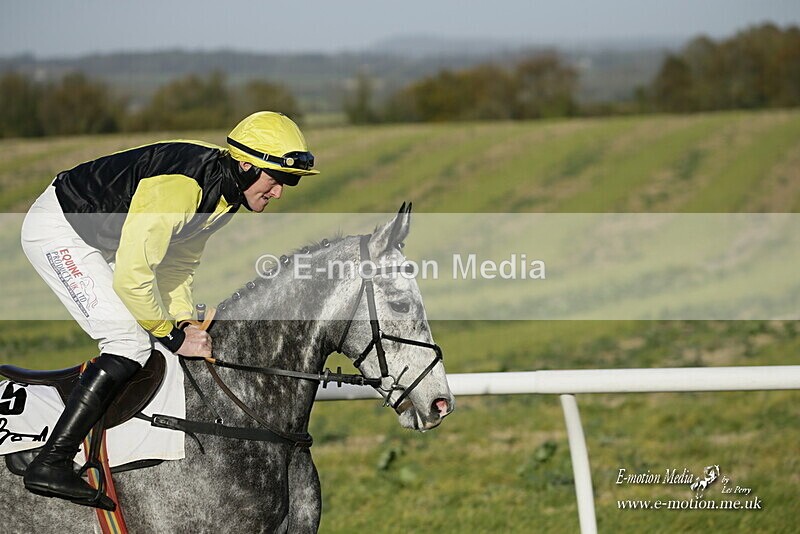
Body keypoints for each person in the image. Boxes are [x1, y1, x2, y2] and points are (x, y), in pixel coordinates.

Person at [19, 111, 318, 509]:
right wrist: (173, 336)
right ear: (246, 165)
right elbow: (133, 279)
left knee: (148, 340)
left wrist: (183, 322)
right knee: (128, 342)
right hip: (61, 232)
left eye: (290, 181)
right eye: (277, 178)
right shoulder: (180, 190)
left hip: (102, 240)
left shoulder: (225, 198)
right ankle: (51, 462)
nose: (279, 192)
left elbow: (177, 266)